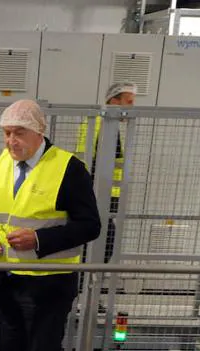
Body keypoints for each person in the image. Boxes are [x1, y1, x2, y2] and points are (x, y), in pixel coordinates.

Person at [0, 100, 101, 351]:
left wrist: (38, 240)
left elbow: (90, 225)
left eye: (18, 133)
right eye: (6, 133)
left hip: (49, 283)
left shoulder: (68, 169)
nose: (10, 141)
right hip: (5, 278)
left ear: (39, 133)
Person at [75, 82, 135, 261]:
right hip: (98, 195)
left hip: (98, 194)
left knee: (101, 240)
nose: (133, 107)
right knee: (103, 243)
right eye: (129, 102)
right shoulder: (105, 125)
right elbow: (95, 164)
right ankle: (87, 281)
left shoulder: (100, 123)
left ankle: (88, 281)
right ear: (115, 102)